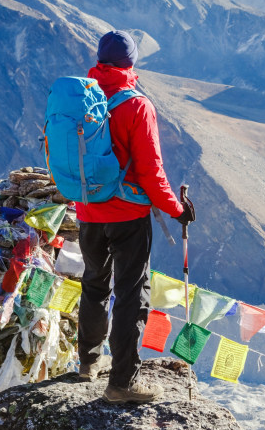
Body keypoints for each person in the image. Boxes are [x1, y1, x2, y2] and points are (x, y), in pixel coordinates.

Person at [76, 30, 193, 403]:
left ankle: (88, 363)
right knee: (130, 293)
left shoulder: (82, 99)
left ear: (100, 59)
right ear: (132, 63)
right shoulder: (136, 105)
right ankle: (122, 382)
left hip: (88, 210)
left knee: (94, 284)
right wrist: (178, 210)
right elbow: (151, 172)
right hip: (127, 214)